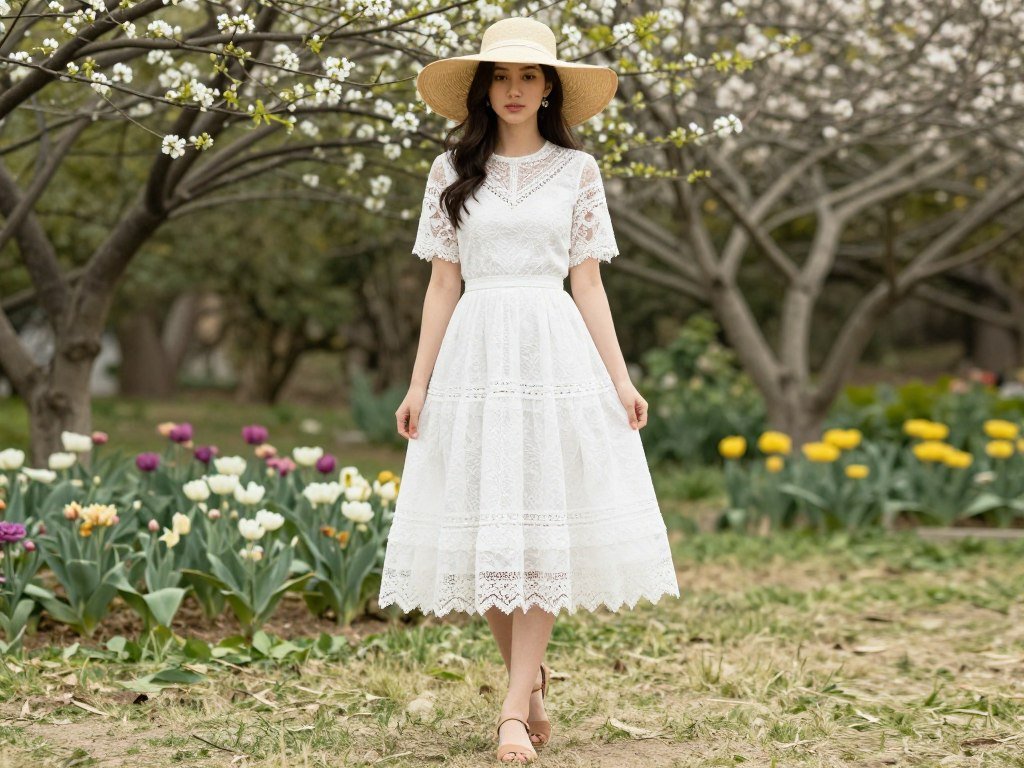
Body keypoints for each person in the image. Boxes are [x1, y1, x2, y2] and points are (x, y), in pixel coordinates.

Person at [379, 17, 680, 764]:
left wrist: (620, 378)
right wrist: (418, 384)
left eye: (529, 77)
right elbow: (441, 285)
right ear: (484, 90)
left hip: (552, 350)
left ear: (549, 89)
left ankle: (513, 708)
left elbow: (589, 284)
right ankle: (529, 682)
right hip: (474, 354)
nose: (514, 90)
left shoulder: (578, 172)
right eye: (501, 78)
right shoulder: (450, 171)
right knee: (487, 519)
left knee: (542, 519)